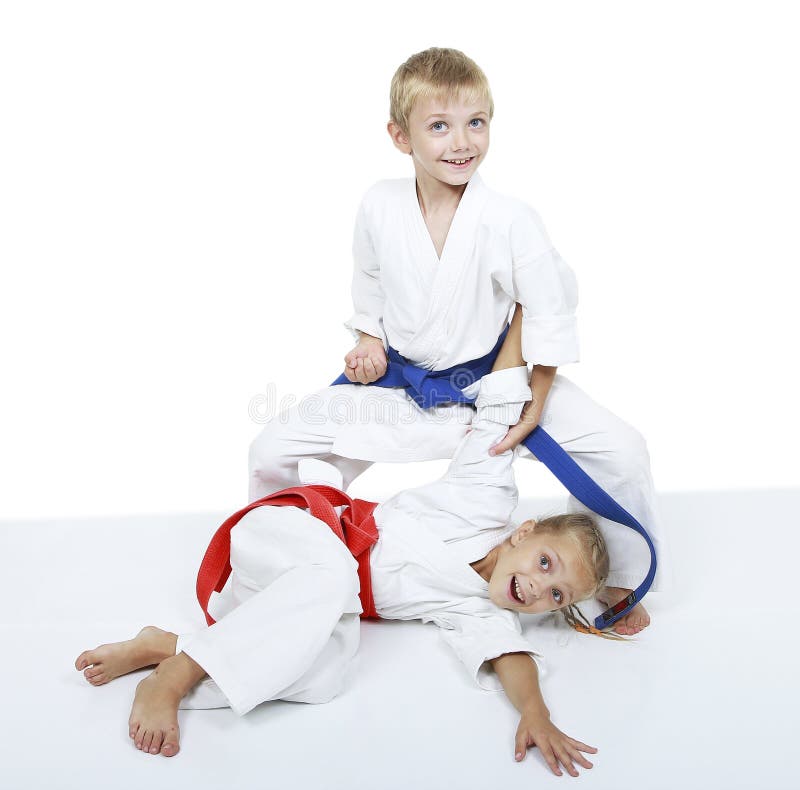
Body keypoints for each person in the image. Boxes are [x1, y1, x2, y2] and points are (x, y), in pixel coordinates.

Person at [248, 47, 665, 636]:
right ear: (401, 136)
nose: (461, 142)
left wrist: (534, 400)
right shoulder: (378, 204)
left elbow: (547, 304)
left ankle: (615, 576)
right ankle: (277, 563)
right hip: (404, 382)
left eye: (476, 122)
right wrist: (369, 338)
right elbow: (369, 280)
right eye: (439, 126)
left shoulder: (509, 218)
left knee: (622, 448)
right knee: (273, 445)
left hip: (496, 384)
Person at [75, 363, 609, 776]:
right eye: (546, 563)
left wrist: (534, 714)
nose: (540, 587)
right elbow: (500, 402)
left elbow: (509, 656)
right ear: (523, 530)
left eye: (557, 596)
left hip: (293, 598)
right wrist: (520, 306)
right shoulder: (482, 501)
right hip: (297, 527)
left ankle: (164, 645)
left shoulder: (474, 607)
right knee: (331, 579)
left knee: (325, 675)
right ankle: (175, 676)